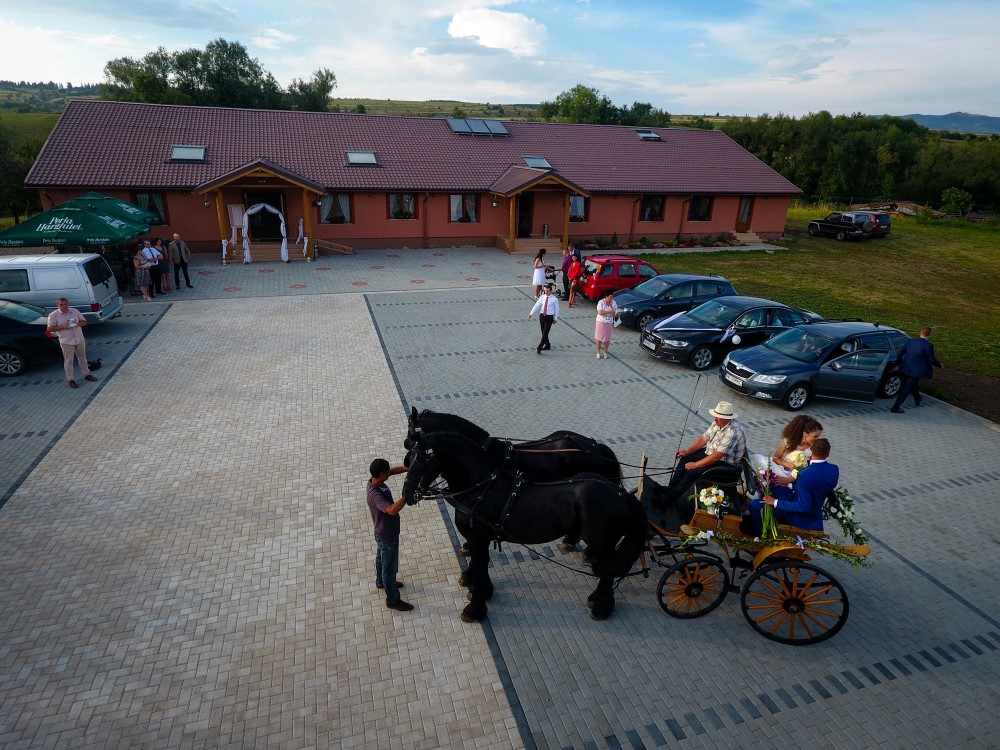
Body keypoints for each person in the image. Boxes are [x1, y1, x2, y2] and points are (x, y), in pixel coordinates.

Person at [655, 401, 748, 518]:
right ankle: (671, 488)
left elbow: (717, 456)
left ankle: (668, 499)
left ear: (726, 418)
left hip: (726, 464)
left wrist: (696, 464)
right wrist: (687, 451)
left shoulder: (733, 432)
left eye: (718, 417)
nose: (715, 419)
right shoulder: (718, 423)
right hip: (711, 453)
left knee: (692, 473)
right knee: (685, 459)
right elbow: (703, 439)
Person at [746, 438, 839, 534]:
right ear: (828, 454)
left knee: (754, 505)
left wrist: (775, 502)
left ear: (811, 449)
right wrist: (789, 485)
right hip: (810, 504)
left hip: (799, 515)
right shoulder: (834, 470)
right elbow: (813, 487)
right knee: (772, 486)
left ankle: (759, 534)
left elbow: (802, 507)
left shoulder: (805, 474)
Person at [366, 458, 414, 612]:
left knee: (380, 558)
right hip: (387, 535)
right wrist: (406, 496)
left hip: (380, 532)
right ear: (381, 474)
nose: (390, 473)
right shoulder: (375, 495)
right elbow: (392, 510)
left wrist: (408, 469)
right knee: (389, 569)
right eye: (387, 472)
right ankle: (393, 600)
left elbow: (392, 471)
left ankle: (380, 581)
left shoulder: (374, 480)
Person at [46, 297, 97, 389]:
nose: (64, 306)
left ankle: (87, 374)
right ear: (57, 305)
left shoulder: (74, 311)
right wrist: (62, 326)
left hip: (79, 338)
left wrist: (77, 324)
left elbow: (84, 322)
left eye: (65, 304)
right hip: (66, 341)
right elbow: (49, 329)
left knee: (82, 358)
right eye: (61, 305)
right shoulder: (53, 315)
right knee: (68, 361)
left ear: (68, 304)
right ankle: (71, 380)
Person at [891, 326, 943, 413]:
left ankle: (918, 399)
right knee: (907, 388)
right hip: (916, 371)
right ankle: (896, 407)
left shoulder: (910, 341)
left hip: (905, 367)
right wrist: (940, 365)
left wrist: (897, 364)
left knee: (913, 384)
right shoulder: (928, 345)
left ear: (920, 333)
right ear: (929, 335)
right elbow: (932, 360)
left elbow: (900, 353)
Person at [528, 282, 560, 353]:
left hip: (549, 317)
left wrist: (555, 318)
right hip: (542, 316)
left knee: (545, 332)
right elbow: (537, 305)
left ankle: (539, 347)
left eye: (547, 291)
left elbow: (557, 309)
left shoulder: (554, 299)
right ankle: (547, 344)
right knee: (543, 332)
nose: (546, 292)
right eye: (545, 290)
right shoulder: (542, 297)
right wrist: (531, 313)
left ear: (551, 291)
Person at [594, 290, 619, 359]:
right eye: (610, 296)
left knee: (607, 338)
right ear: (606, 297)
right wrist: (609, 311)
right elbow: (600, 312)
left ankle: (605, 352)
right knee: (599, 338)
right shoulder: (601, 302)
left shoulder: (614, 303)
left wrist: (616, 313)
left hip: (609, 322)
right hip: (601, 322)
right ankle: (598, 352)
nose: (611, 298)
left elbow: (616, 311)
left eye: (612, 296)